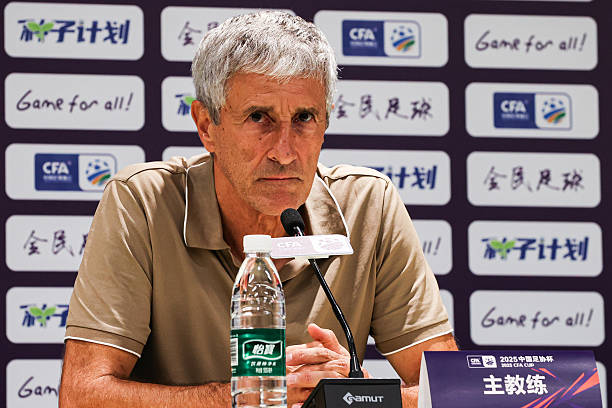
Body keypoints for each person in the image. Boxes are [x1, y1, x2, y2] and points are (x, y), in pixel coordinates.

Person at [59, 11, 456, 408]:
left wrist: (355, 395)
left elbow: (453, 393)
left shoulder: (369, 204)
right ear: (206, 125)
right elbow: (82, 396)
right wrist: (246, 397)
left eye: (304, 118)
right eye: (258, 117)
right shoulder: (143, 202)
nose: (284, 152)